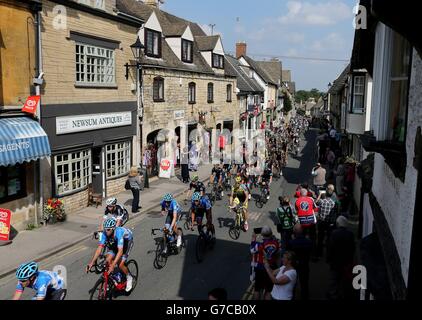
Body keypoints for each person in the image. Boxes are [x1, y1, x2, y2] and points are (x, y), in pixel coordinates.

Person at [87, 218, 134, 292]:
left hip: (126, 242)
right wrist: (92, 262)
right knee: (108, 259)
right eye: (105, 229)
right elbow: (99, 249)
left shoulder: (119, 232)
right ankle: (116, 275)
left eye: (108, 229)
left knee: (120, 264)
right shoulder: (104, 233)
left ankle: (129, 277)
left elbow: (120, 251)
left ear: (113, 229)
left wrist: (113, 265)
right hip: (115, 242)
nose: (106, 231)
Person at [326, 216, 355, 300]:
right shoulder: (350, 234)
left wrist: (328, 259)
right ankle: (343, 294)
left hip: (335, 261)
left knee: (334, 279)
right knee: (344, 278)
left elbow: (330, 247)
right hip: (346, 261)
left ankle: (333, 294)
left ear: (338, 224)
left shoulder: (334, 233)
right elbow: (352, 248)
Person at [250, 226, 280, 300]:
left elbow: (252, 250)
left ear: (262, 234)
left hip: (261, 267)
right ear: (271, 233)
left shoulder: (259, 244)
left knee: (257, 289)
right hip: (271, 268)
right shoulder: (276, 243)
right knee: (269, 290)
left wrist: (253, 240)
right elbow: (278, 253)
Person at [287, 224, 312, 300]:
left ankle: (292, 296)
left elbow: (288, 254)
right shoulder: (309, 242)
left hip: (294, 266)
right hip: (304, 265)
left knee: (292, 284)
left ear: (294, 232)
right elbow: (311, 251)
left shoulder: (291, 242)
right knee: (304, 284)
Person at [295, 188, 318, 254]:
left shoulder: (297, 201)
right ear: (307, 193)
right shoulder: (311, 199)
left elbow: (297, 211)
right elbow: (315, 208)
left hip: (302, 222)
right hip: (311, 221)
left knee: (302, 237)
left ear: (300, 194)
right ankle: (314, 254)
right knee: (313, 237)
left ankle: (303, 252)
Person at [315, 192, 336, 258]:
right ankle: (328, 255)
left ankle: (319, 253)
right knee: (329, 239)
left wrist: (320, 195)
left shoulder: (322, 201)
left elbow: (316, 202)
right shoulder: (333, 203)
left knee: (320, 238)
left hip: (321, 222)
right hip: (329, 223)